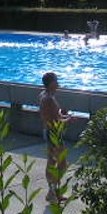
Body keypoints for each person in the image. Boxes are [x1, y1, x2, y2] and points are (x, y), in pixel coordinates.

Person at [39, 72, 73, 203]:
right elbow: (56, 121)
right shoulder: (48, 99)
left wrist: (63, 115)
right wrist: (68, 119)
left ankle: (53, 192)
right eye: (56, 80)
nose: (58, 82)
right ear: (52, 83)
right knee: (61, 164)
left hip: (49, 132)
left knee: (52, 162)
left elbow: (55, 116)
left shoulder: (45, 95)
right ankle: (52, 192)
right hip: (53, 133)